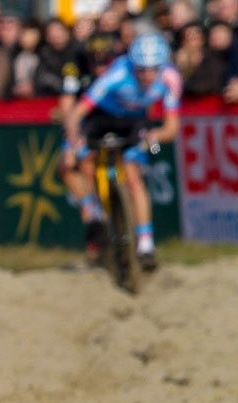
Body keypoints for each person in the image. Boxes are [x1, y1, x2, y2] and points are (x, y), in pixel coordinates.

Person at [61, 31, 181, 270]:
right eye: (141, 69)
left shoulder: (170, 78)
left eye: (152, 69)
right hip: (100, 119)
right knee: (69, 163)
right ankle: (94, 213)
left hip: (136, 124)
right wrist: (73, 143)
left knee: (135, 174)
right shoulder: (116, 74)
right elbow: (77, 114)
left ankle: (146, 244)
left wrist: (153, 139)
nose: (147, 75)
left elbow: (171, 129)